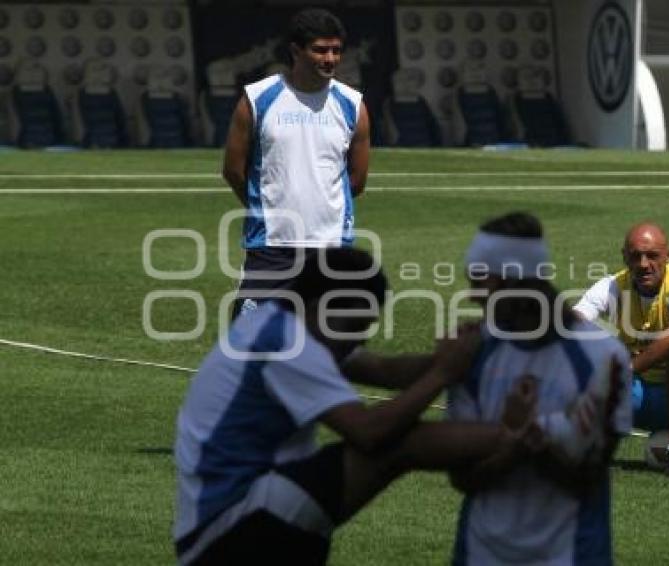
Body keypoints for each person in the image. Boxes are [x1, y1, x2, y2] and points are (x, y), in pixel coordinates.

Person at [173, 247, 535, 566]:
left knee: (398, 439)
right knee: (397, 444)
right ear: (320, 307)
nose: (360, 337)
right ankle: (539, 437)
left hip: (232, 520)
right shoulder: (288, 344)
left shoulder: (279, 323)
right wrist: (443, 372)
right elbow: (369, 433)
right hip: (232, 525)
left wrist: (472, 353)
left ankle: (530, 436)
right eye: (355, 325)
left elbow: (384, 369)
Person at [446, 212, 632, 565]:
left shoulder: (602, 358)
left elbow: (587, 478)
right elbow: (464, 478)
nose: (472, 296)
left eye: (480, 283)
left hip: (572, 554)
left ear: (512, 282)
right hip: (482, 554)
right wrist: (523, 438)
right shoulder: (470, 353)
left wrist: (527, 437)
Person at [222, 8, 370, 318]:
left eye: (336, 50)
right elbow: (234, 170)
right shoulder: (258, 98)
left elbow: (356, 180)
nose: (329, 58)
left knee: (328, 341)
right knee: (248, 340)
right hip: (272, 245)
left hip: (332, 245)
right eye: (319, 50)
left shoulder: (351, 104)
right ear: (295, 51)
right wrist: (266, 209)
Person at [573, 222, 669, 479]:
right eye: (635, 256)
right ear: (624, 257)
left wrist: (627, 367)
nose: (644, 264)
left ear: (668, 256)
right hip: (642, 396)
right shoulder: (611, 286)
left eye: (652, 256)